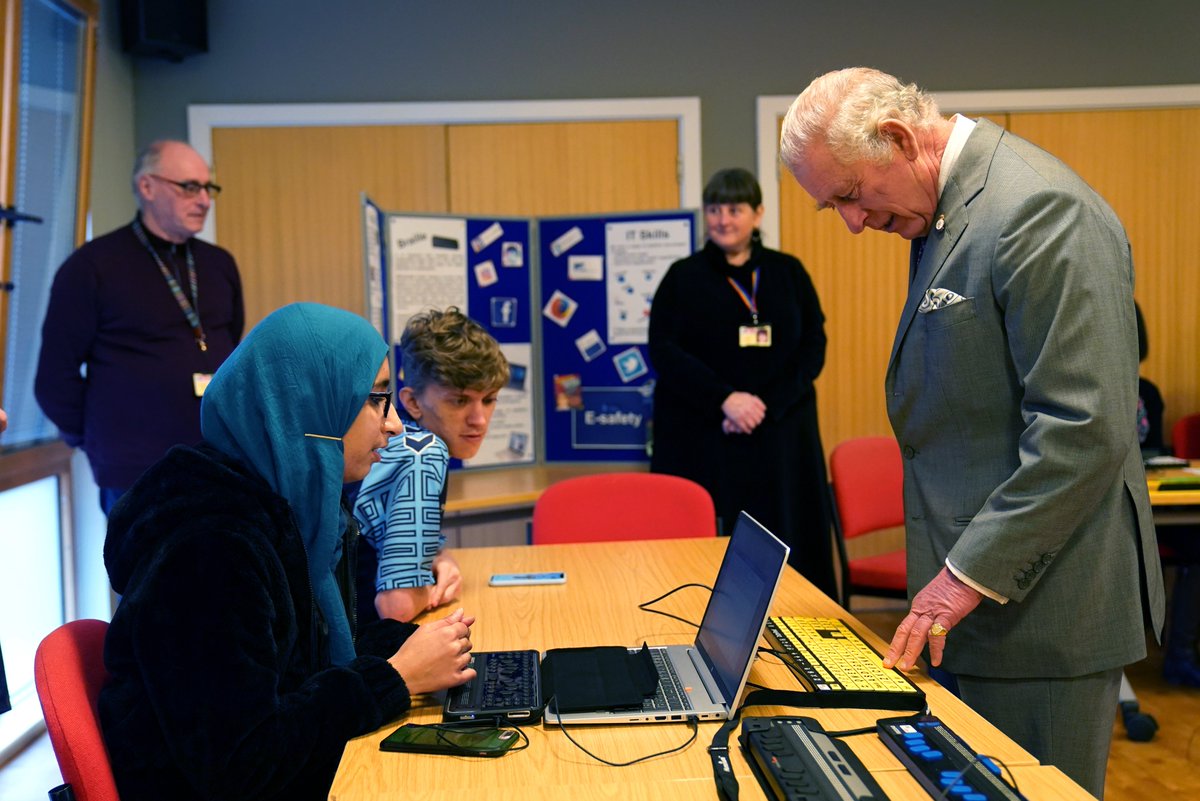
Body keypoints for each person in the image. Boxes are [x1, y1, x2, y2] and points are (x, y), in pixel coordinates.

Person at [780, 67, 1165, 797]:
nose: (855, 223)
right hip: (978, 605)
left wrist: (959, 578)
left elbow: (1083, 429)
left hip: (1044, 611)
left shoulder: (1038, 209)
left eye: (851, 196)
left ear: (897, 139)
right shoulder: (946, 207)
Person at [98, 303, 476, 801]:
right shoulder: (208, 549)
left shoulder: (284, 505)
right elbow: (242, 764)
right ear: (308, 406)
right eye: (376, 400)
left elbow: (307, 657)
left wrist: (420, 645)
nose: (395, 426)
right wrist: (396, 678)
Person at [647, 167, 835, 598]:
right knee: (707, 547)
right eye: (714, 209)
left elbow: (813, 345)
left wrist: (761, 405)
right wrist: (726, 400)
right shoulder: (682, 277)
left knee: (787, 538)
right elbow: (664, 350)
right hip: (704, 437)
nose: (723, 219)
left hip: (779, 436)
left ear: (758, 214)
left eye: (735, 209)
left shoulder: (788, 272)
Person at [35, 139, 244, 515]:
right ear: (147, 187)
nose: (205, 200)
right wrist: (101, 439)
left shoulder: (219, 265)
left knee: (223, 573)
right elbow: (53, 379)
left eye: (207, 188)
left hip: (219, 461)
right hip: (136, 472)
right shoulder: (92, 266)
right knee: (147, 575)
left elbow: (232, 347)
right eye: (189, 187)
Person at [353, 307, 509, 623]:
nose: (479, 419)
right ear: (411, 402)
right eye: (460, 400)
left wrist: (440, 558)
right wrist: (428, 590)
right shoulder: (424, 453)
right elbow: (396, 607)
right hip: (368, 647)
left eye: (489, 399)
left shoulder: (391, 442)